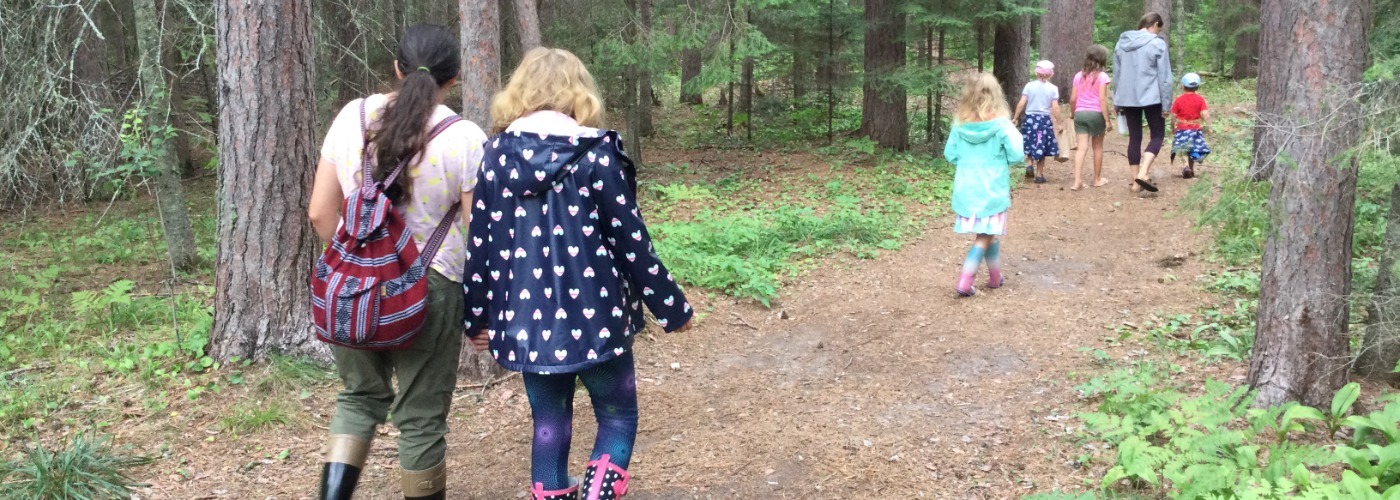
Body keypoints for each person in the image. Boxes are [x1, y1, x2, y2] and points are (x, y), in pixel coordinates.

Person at [462, 47, 694, 500]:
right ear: (578, 92)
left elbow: (480, 246)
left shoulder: (494, 158)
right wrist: (673, 307)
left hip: (526, 324)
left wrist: (477, 319)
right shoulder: (597, 154)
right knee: (618, 416)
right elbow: (631, 241)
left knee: (549, 424)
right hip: (598, 320)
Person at [306, 25, 487, 500]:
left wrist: (358, 266)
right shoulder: (464, 136)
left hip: (353, 290)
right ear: (455, 78)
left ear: (396, 68)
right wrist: (484, 310)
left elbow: (320, 212)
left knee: (358, 398)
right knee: (420, 418)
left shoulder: (351, 117)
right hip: (432, 288)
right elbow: (478, 233)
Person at [944, 73, 1023, 297]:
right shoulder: (1002, 125)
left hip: (967, 189)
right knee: (984, 236)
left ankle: (995, 278)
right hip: (992, 190)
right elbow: (1017, 154)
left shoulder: (959, 125)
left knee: (989, 234)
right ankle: (965, 281)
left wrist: (968, 163)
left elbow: (950, 154)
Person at [1114, 12, 1174, 193]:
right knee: (1157, 135)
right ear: (1155, 24)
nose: (1158, 33)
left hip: (1127, 97)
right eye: (1159, 29)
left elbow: (1117, 74)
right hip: (1152, 97)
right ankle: (1142, 173)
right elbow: (1165, 77)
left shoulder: (1122, 43)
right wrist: (1166, 104)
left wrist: (1116, 99)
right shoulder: (1157, 43)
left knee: (1135, 137)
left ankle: (1135, 182)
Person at [1068, 45, 1115, 191]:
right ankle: (1097, 179)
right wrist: (1107, 120)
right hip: (1096, 114)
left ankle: (1077, 181)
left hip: (1080, 113)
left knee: (1081, 148)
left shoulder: (1078, 76)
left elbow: (1073, 99)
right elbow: (1102, 99)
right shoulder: (1102, 77)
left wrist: (1073, 113)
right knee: (1098, 146)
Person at [1011, 60, 1063, 184]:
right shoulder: (1053, 89)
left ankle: (1029, 164)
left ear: (1036, 72)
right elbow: (1055, 107)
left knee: (1029, 142)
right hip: (1044, 121)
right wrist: (1059, 122)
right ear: (1051, 74)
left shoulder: (1029, 86)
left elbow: (1022, 103)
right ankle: (1039, 175)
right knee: (1042, 146)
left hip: (1030, 119)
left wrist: (1016, 116)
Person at [1170, 72, 1211, 179]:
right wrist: (1209, 127)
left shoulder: (1178, 100)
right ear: (1197, 87)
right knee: (1192, 149)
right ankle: (1192, 167)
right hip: (1195, 130)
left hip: (1182, 129)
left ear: (1183, 86)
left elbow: (1173, 116)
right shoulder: (1200, 99)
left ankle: (1186, 166)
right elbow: (1205, 114)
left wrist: (1172, 127)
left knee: (1181, 149)